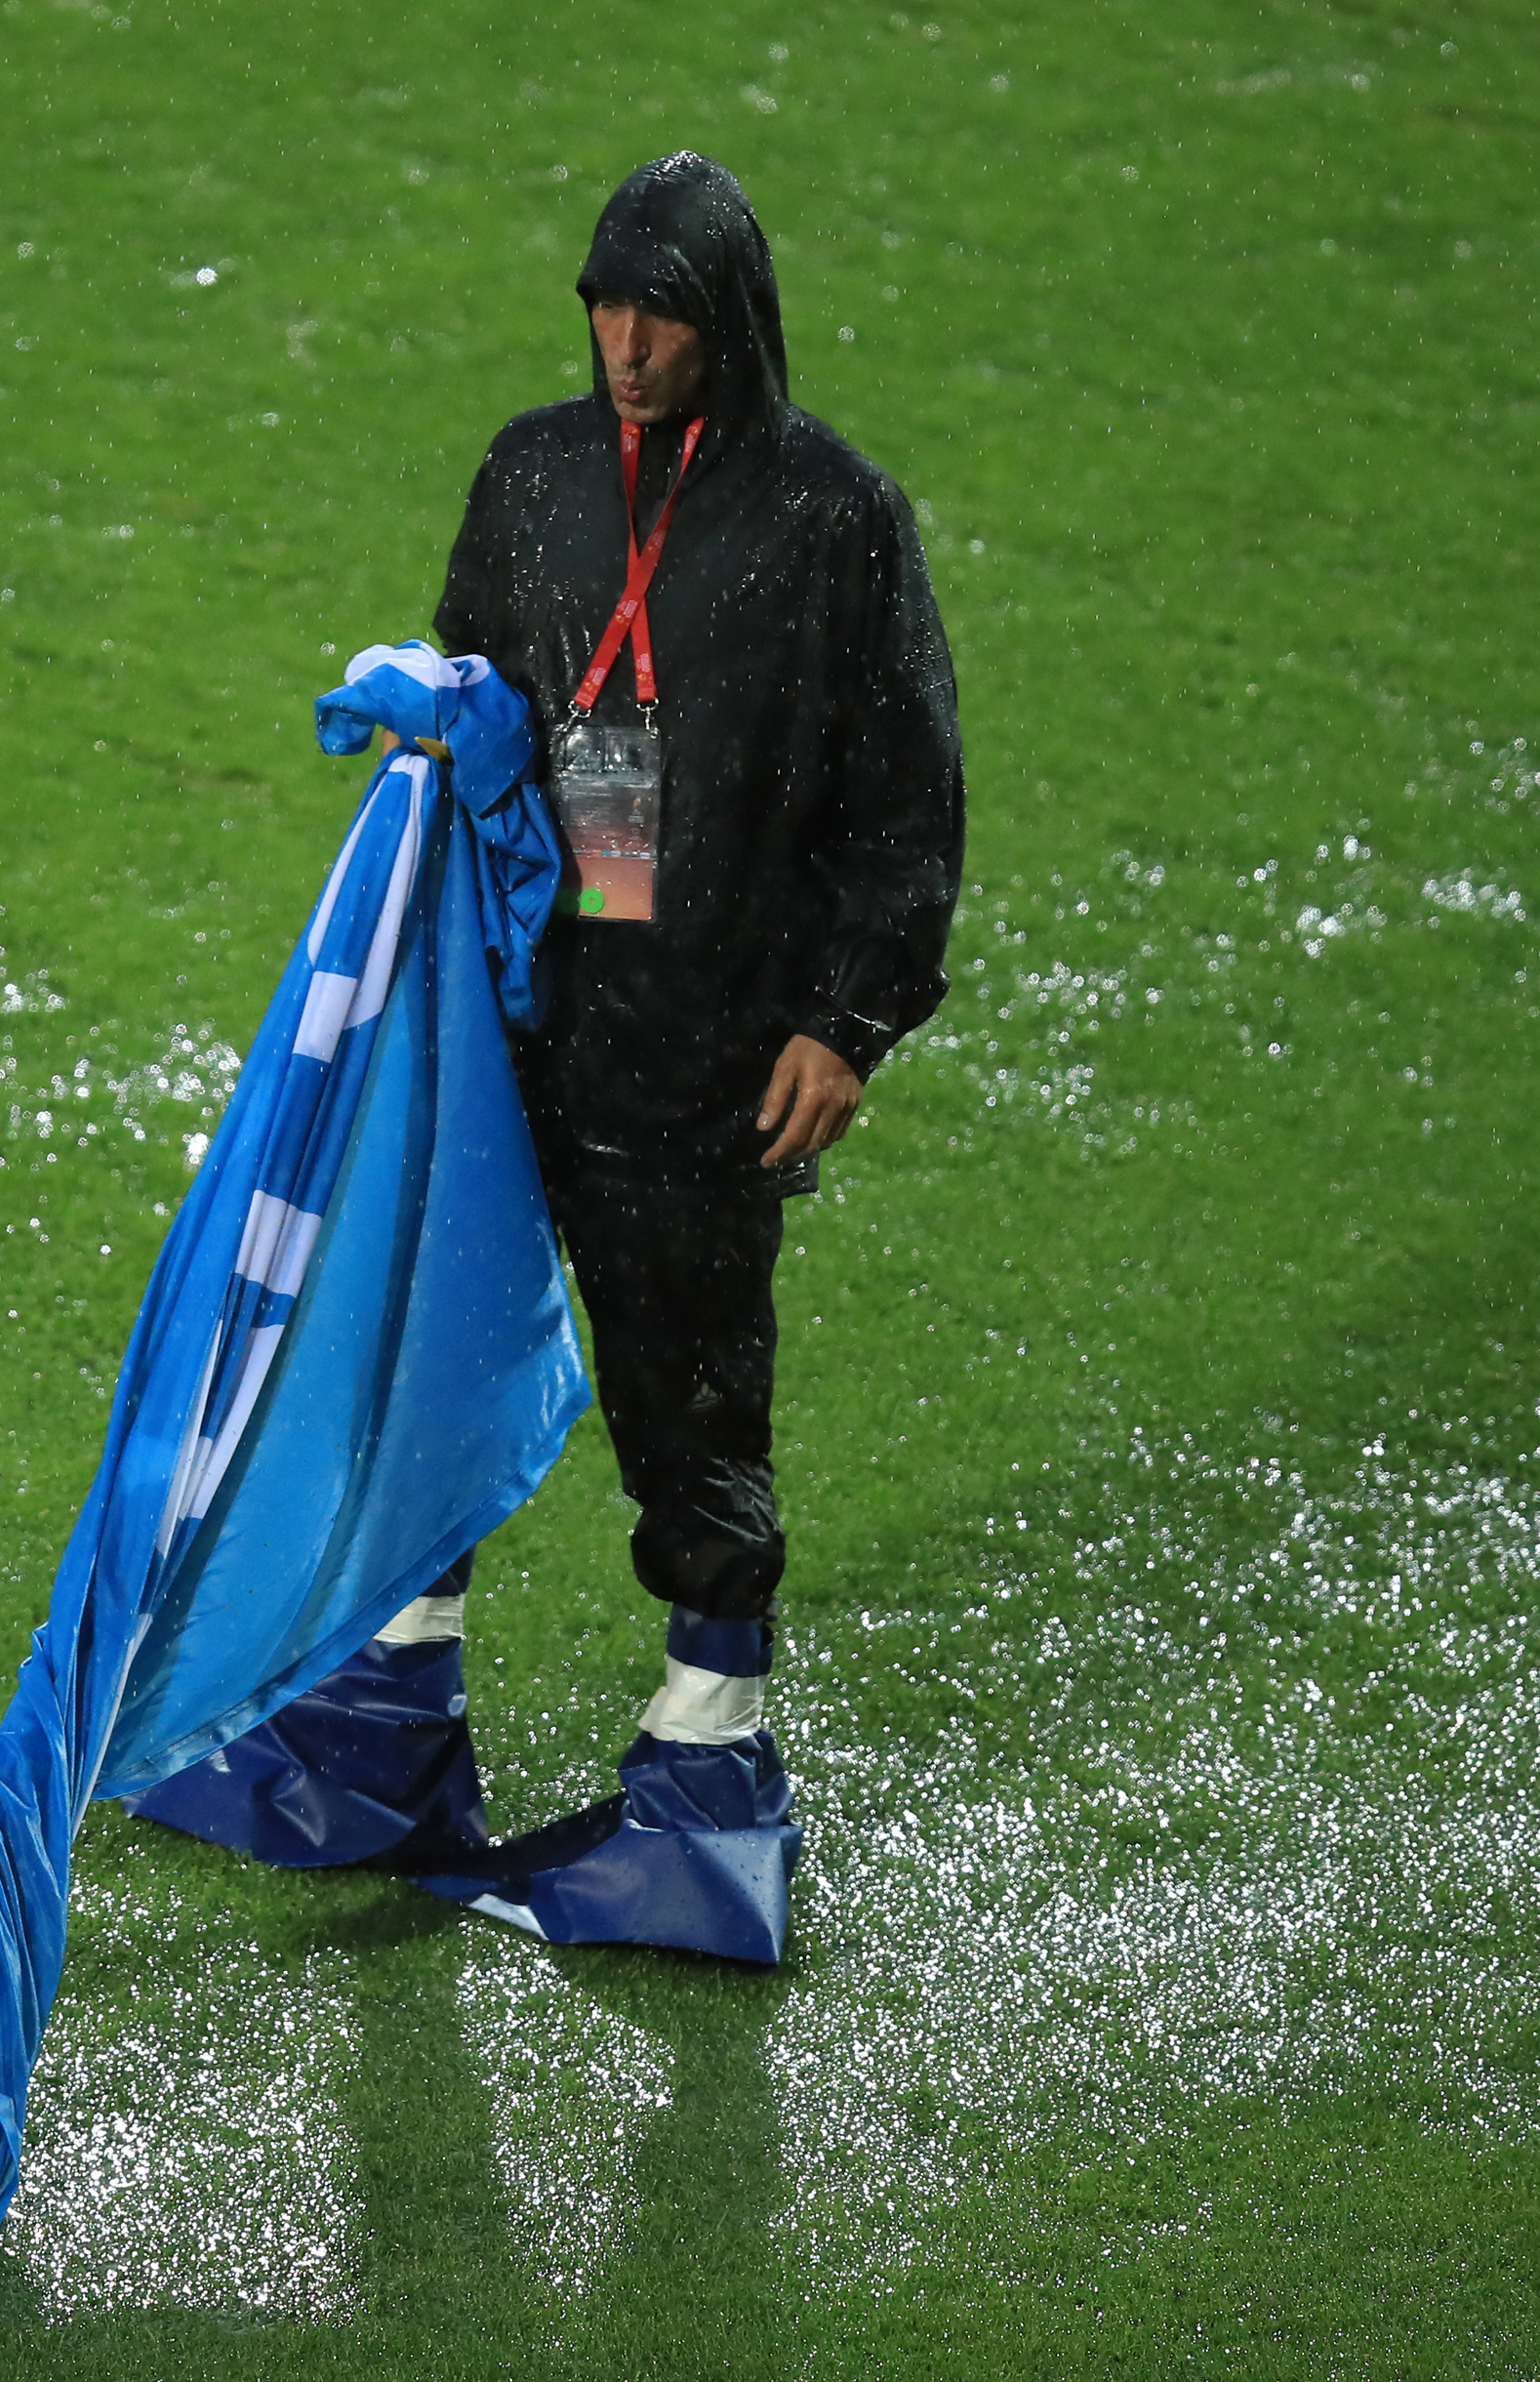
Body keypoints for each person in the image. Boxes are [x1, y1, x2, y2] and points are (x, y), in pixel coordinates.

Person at [132, 151, 965, 1960]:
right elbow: (481, 680)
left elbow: (907, 799)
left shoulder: (834, 518)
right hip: (519, 1014)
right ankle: (384, 1722)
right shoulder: (531, 472)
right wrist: (441, 713)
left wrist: (849, 1020)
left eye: (658, 311)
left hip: (715, 1044)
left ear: (725, 320)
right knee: (435, 1341)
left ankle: (708, 1770)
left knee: (688, 1393)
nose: (623, 342)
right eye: (602, 303)